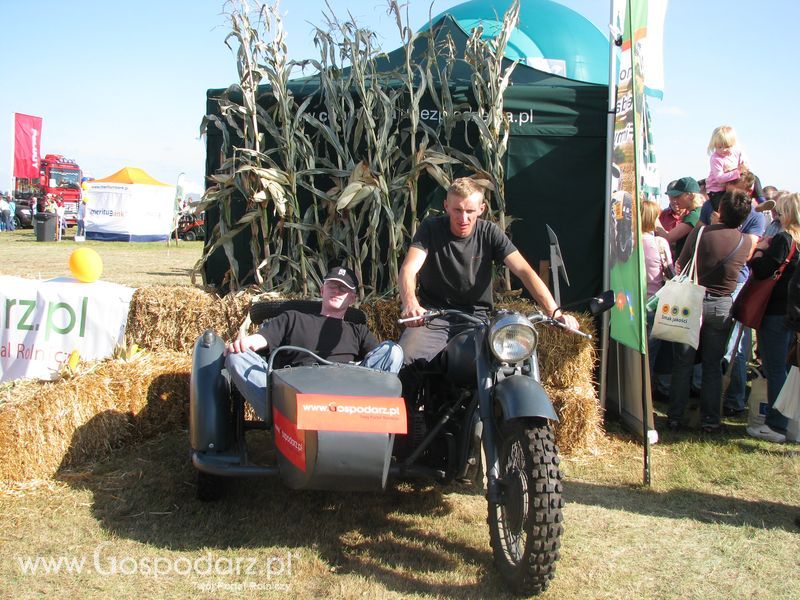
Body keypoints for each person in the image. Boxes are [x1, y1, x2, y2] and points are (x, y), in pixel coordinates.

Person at [397, 177, 579, 396]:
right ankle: (408, 425)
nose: (463, 218)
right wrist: (411, 303)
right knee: (405, 359)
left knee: (499, 364)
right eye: (457, 210)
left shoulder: (490, 233)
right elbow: (408, 269)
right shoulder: (430, 229)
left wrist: (554, 311)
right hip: (434, 317)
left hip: (476, 321)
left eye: (470, 211)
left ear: (481, 209)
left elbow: (524, 271)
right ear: (446, 206)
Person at [224, 266, 403, 421]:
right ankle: (278, 415)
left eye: (343, 288)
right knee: (236, 356)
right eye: (332, 285)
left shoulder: (358, 330)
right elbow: (262, 339)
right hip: (294, 394)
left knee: (393, 350)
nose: (336, 291)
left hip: (346, 398)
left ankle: (369, 418)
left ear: (352, 298)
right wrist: (247, 342)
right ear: (322, 289)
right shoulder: (292, 318)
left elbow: (380, 365)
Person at [667, 189, 752, 433]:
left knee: (683, 363)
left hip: (693, 301)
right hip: (722, 305)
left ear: (721, 210)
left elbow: (681, 264)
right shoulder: (745, 240)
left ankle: (675, 416)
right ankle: (710, 420)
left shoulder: (702, 232)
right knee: (713, 365)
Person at [745, 192, 800, 443]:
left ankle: (778, 424)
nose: (776, 214)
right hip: (792, 313)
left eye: (780, 210)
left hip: (776, 310)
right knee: (788, 369)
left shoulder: (783, 239)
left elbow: (763, 269)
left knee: (775, 368)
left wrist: (758, 252)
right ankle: (790, 423)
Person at [642, 200, 673, 400]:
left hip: (630, 303)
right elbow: (670, 272)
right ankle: (646, 394)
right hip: (653, 303)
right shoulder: (660, 243)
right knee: (650, 354)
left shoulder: (626, 242)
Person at [655, 176, 703, 258]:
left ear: (690, 195)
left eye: (678, 196)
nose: (675, 201)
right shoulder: (700, 212)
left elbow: (667, 238)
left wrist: (653, 217)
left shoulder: (693, 216)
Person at [705, 125, 748, 211]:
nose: (723, 150)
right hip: (717, 189)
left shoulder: (738, 153)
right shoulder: (716, 158)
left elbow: (745, 166)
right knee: (723, 209)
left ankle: (760, 199)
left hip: (732, 185)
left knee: (754, 178)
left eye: (727, 146)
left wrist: (745, 170)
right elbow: (719, 178)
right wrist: (737, 172)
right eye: (719, 147)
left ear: (733, 144)